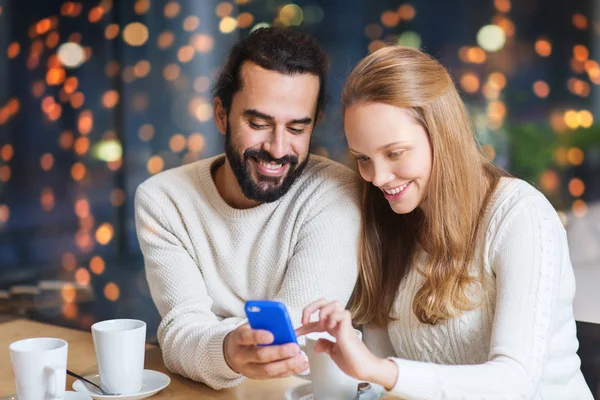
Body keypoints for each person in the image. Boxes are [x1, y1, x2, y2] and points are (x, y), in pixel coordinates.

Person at [296, 46, 593, 399]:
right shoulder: (390, 222)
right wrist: (344, 350)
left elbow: (516, 381)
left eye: (394, 153)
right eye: (363, 158)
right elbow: (382, 379)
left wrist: (378, 369)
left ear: (442, 134)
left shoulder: (521, 216)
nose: (377, 177)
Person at [134, 27, 361, 390]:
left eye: (297, 128)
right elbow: (177, 334)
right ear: (222, 115)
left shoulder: (334, 192)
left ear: (314, 124)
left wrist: (206, 341)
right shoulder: (164, 199)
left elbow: (296, 340)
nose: (277, 148)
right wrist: (226, 349)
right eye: (258, 124)